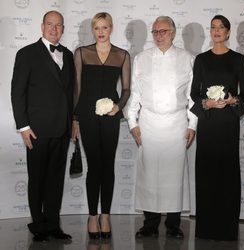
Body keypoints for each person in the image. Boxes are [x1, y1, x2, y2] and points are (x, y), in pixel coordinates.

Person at [127, 16, 197, 239]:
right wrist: (132, 123)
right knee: (149, 175)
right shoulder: (141, 58)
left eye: (163, 31)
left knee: (174, 176)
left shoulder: (188, 59)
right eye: (155, 31)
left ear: (174, 33)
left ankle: (174, 225)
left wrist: (192, 124)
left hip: (177, 123)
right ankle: (150, 224)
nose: (159, 36)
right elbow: (135, 93)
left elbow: (192, 97)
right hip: (148, 123)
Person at [11, 11, 74, 242]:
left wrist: (73, 122)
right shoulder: (26, 53)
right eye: (50, 24)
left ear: (63, 29)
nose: (54, 29)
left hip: (62, 129)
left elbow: (70, 94)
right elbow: (17, 93)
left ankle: (53, 225)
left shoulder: (68, 55)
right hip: (36, 130)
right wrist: (23, 127)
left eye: (58, 25)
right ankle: (38, 225)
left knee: (56, 180)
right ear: (42, 26)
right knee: (37, 178)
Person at [190, 15, 244, 241]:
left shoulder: (237, 59)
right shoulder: (201, 59)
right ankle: (205, 229)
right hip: (208, 122)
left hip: (228, 122)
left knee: (227, 172)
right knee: (206, 171)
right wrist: (207, 102)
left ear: (228, 33)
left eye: (221, 28)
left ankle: (227, 229)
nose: (216, 31)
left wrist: (233, 100)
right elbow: (195, 92)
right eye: (213, 27)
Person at [72, 12, 131, 239]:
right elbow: (76, 89)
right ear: (93, 30)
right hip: (87, 116)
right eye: (97, 27)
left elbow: (126, 89)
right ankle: (92, 215)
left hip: (110, 118)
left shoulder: (122, 55)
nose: (100, 32)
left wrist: (119, 107)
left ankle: (105, 215)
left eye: (104, 27)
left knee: (108, 165)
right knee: (94, 166)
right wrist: (75, 119)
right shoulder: (82, 53)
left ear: (111, 28)